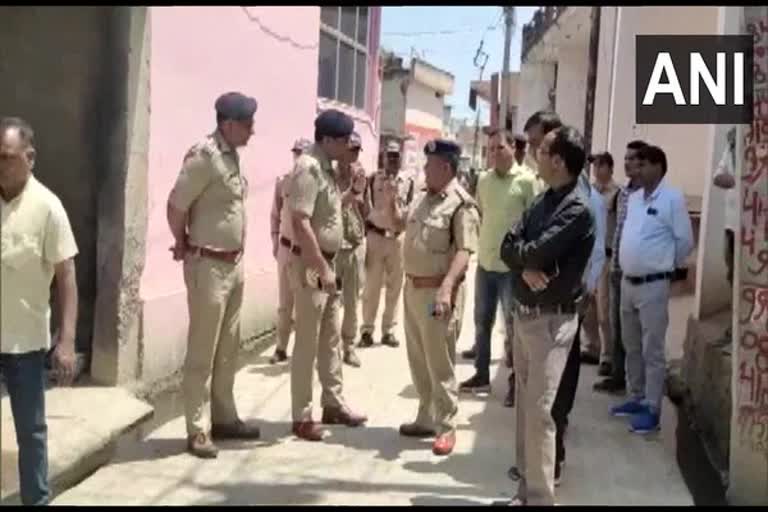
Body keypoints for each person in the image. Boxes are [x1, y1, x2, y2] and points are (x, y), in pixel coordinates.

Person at [500, 126, 595, 506]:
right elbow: (507, 246)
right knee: (526, 408)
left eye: (541, 150)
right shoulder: (543, 200)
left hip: (552, 320)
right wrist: (523, 265)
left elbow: (536, 251)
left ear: (558, 161)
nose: (534, 154)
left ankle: (540, 499)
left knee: (540, 412)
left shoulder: (577, 208)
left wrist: (523, 258)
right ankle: (525, 492)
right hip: (526, 315)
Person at [167, 92, 262, 458]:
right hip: (207, 265)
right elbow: (176, 205)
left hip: (233, 265)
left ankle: (224, 418)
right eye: (248, 123)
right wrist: (182, 242)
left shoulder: (231, 157)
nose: (253, 130)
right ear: (228, 124)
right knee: (203, 350)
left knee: (228, 349)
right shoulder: (204, 156)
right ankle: (197, 428)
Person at [0, 117, 79, 505]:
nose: (1, 164)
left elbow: (66, 277)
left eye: (7, 157)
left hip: (26, 345)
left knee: (30, 433)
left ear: (29, 158)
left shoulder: (48, 207)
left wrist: (65, 341)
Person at [287, 109, 367, 442]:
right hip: (312, 266)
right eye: (345, 140)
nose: (349, 146)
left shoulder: (327, 169)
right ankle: (302, 416)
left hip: (329, 266)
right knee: (307, 342)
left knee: (331, 338)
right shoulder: (308, 168)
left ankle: (332, 403)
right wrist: (320, 265)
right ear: (328, 140)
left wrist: (353, 195)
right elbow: (301, 221)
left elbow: (328, 212)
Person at [399, 139, 480, 456]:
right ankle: (426, 416)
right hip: (413, 289)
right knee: (418, 358)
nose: (424, 169)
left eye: (429, 164)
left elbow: (464, 250)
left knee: (439, 361)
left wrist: (447, 287)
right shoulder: (423, 198)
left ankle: (446, 426)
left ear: (445, 167)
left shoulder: (461, 204)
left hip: (438, 293)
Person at [611, 144, 694, 434]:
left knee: (652, 349)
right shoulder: (634, 199)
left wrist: (663, 265)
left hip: (653, 284)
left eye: (643, 164)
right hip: (627, 283)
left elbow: (685, 241)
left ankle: (652, 408)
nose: (636, 169)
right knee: (631, 344)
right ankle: (635, 397)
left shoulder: (672, 198)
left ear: (658, 166)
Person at [458, 129, 539, 411]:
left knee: (514, 329)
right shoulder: (483, 180)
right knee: (482, 322)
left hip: (511, 269)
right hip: (485, 264)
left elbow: (534, 223)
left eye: (499, 148)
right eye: (490, 149)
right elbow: (481, 214)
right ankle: (481, 375)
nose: (494, 153)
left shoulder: (528, 181)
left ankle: (516, 383)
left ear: (513, 148)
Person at [548, 178, 606, 487]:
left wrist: (588, 290)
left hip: (570, 300)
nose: (535, 154)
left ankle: (553, 457)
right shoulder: (549, 195)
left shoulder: (586, 200)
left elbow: (597, 252)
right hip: (546, 302)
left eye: (541, 149)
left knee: (560, 378)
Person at [593, 140, 648, 394]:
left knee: (635, 332)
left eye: (632, 159)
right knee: (615, 323)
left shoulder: (649, 195)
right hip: (615, 266)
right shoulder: (623, 194)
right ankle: (617, 375)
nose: (627, 163)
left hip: (637, 273)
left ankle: (636, 384)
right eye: (625, 158)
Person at [359, 140, 415, 349]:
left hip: (397, 239)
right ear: (383, 157)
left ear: (400, 158)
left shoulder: (408, 181)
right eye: (389, 156)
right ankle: (366, 330)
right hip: (376, 237)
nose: (392, 159)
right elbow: (365, 206)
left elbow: (410, 209)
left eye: (396, 156)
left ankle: (389, 330)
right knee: (372, 287)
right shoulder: (373, 178)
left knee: (395, 287)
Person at [269, 138, 312, 365]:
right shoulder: (283, 182)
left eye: (303, 154)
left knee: (305, 306)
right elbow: (275, 215)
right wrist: (275, 242)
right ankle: (281, 347)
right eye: (296, 153)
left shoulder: (314, 184)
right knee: (284, 304)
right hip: (286, 250)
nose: (298, 158)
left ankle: (302, 351)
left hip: (305, 254)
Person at [335, 132, 369, 368]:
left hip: (355, 243)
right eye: (352, 149)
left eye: (358, 150)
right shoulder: (330, 173)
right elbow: (334, 204)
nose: (355, 154)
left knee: (351, 300)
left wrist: (361, 194)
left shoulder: (361, 174)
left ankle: (348, 346)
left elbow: (365, 210)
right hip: (334, 246)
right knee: (327, 302)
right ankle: (327, 347)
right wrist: (353, 192)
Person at [585, 152, 620, 376]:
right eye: (594, 166)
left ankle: (608, 355)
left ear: (609, 168)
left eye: (599, 165)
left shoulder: (618, 194)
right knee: (587, 306)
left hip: (607, 257)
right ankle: (593, 347)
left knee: (604, 310)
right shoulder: (588, 192)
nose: (596, 170)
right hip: (589, 256)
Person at [711, 128, 738, 345]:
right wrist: (734, 179)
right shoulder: (732, 143)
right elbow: (718, 176)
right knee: (733, 278)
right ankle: (734, 328)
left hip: (756, 229)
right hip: (732, 226)